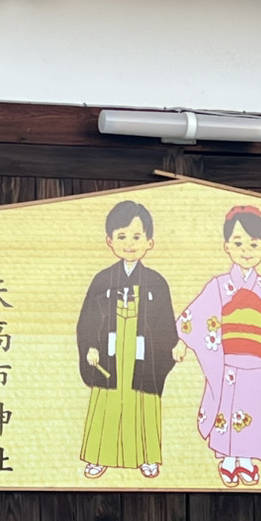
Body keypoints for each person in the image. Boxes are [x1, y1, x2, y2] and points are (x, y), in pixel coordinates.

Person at [176, 205, 261, 487]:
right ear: (227, 247)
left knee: (253, 407)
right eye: (238, 243)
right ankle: (227, 458)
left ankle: (247, 460)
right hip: (226, 362)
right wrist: (183, 342)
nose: (245, 250)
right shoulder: (218, 286)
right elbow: (197, 316)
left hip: (259, 364)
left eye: (253, 244)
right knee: (226, 408)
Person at [77, 200, 182, 479]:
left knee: (142, 402)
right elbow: (88, 318)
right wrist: (89, 346)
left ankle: (147, 457)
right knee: (108, 401)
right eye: (122, 236)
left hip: (143, 354)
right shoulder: (102, 280)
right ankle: (98, 456)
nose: (130, 243)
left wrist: (173, 346)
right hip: (109, 352)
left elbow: (165, 323)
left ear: (150, 241)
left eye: (137, 236)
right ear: (110, 240)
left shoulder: (157, 282)